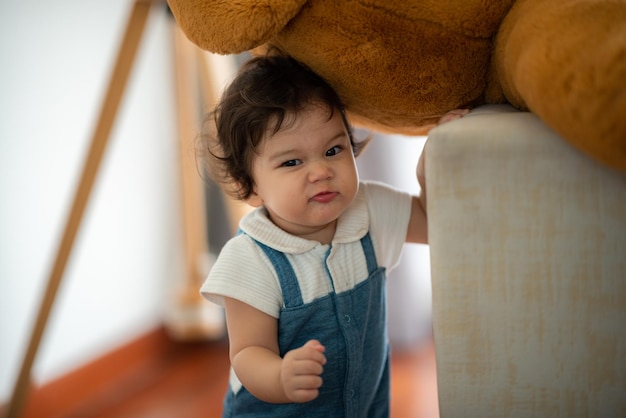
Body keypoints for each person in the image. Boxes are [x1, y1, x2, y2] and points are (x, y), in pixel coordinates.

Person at [199, 53, 467, 417]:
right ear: (251, 187)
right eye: (292, 162)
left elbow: (433, 222)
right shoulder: (250, 260)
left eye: (333, 150)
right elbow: (247, 353)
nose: (321, 170)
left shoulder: (368, 210)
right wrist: (280, 377)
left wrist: (435, 160)